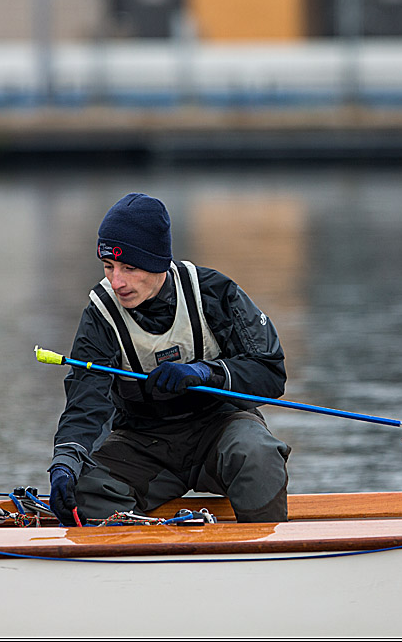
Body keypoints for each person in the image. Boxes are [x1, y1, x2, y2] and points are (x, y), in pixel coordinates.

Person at [47, 192, 291, 525]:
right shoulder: (100, 315)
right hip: (143, 443)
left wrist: (206, 373)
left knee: (259, 454)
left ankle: (265, 554)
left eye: (129, 267)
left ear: (158, 262)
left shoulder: (214, 293)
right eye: (108, 266)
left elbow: (270, 373)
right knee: (85, 486)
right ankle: (136, 561)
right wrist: (65, 463)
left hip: (220, 431)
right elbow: (86, 405)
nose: (117, 281)